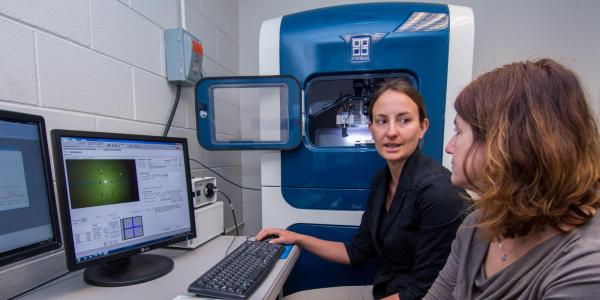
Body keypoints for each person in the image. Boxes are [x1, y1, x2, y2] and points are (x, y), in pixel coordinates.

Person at [257, 79, 467, 300]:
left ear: (422, 127)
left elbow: (426, 292)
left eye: (404, 120)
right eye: (382, 121)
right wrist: (298, 238)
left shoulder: (440, 192)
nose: (392, 132)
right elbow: (357, 251)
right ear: (371, 129)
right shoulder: (381, 181)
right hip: (383, 291)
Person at [425, 59, 600, 299]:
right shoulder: (477, 225)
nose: (449, 147)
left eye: (459, 131)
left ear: (503, 144)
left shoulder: (584, 265)